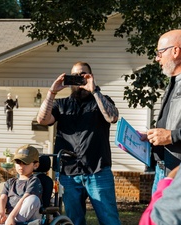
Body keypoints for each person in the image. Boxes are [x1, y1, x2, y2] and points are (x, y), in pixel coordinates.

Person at [36, 61, 121, 225]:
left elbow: (113, 117)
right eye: (74, 75)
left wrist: (94, 90)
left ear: (90, 76)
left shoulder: (101, 100)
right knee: (74, 221)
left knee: (109, 219)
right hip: (69, 173)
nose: (78, 78)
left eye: (83, 75)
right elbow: (42, 119)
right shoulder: (61, 105)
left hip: (98, 170)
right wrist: (52, 92)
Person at [139, 30, 181, 194]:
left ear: (175, 51)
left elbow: (171, 133)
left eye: (160, 53)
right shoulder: (173, 81)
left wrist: (170, 136)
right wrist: (153, 136)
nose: (157, 58)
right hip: (163, 168)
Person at [0, 144, 42, 225]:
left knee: (33, 199)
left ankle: (10, 222)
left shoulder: (34, 180)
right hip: (8, 217)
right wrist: (1, 212)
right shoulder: (10, 182)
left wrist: (12, 217)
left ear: (35, 165)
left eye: (25, 162)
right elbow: (2, 198)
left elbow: (24, 199)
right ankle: (8, 223)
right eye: (18, 162)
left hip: (25, 217)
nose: (21, 166)